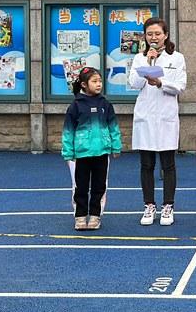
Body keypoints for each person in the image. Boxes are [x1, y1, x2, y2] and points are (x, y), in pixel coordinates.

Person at [128, 17, 187, 226]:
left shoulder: (176, 58)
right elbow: (134, 84)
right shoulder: (139, 58)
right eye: (149, 34)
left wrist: (161, 82)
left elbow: (180, 86)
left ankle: (168, 206)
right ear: (145, 36)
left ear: (166, 35)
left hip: (165, 116)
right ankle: (149, 205)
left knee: (168, 164)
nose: (153, 38)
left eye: (157, 34)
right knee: (146, 164)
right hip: (145, 116)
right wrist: (148, 63)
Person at [61, 67, 122, 231]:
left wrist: (116, 146)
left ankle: (95, 215)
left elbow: (113, 127)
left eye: (100, 81)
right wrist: (68, 152)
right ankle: (80, 216)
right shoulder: (75, 106)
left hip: (102, 152)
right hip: (81, 154)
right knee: (80, 186)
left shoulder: (105, 104)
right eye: (94, 81)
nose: (99, 84)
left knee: (99, 186)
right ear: (83, 84)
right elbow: (68, 131)